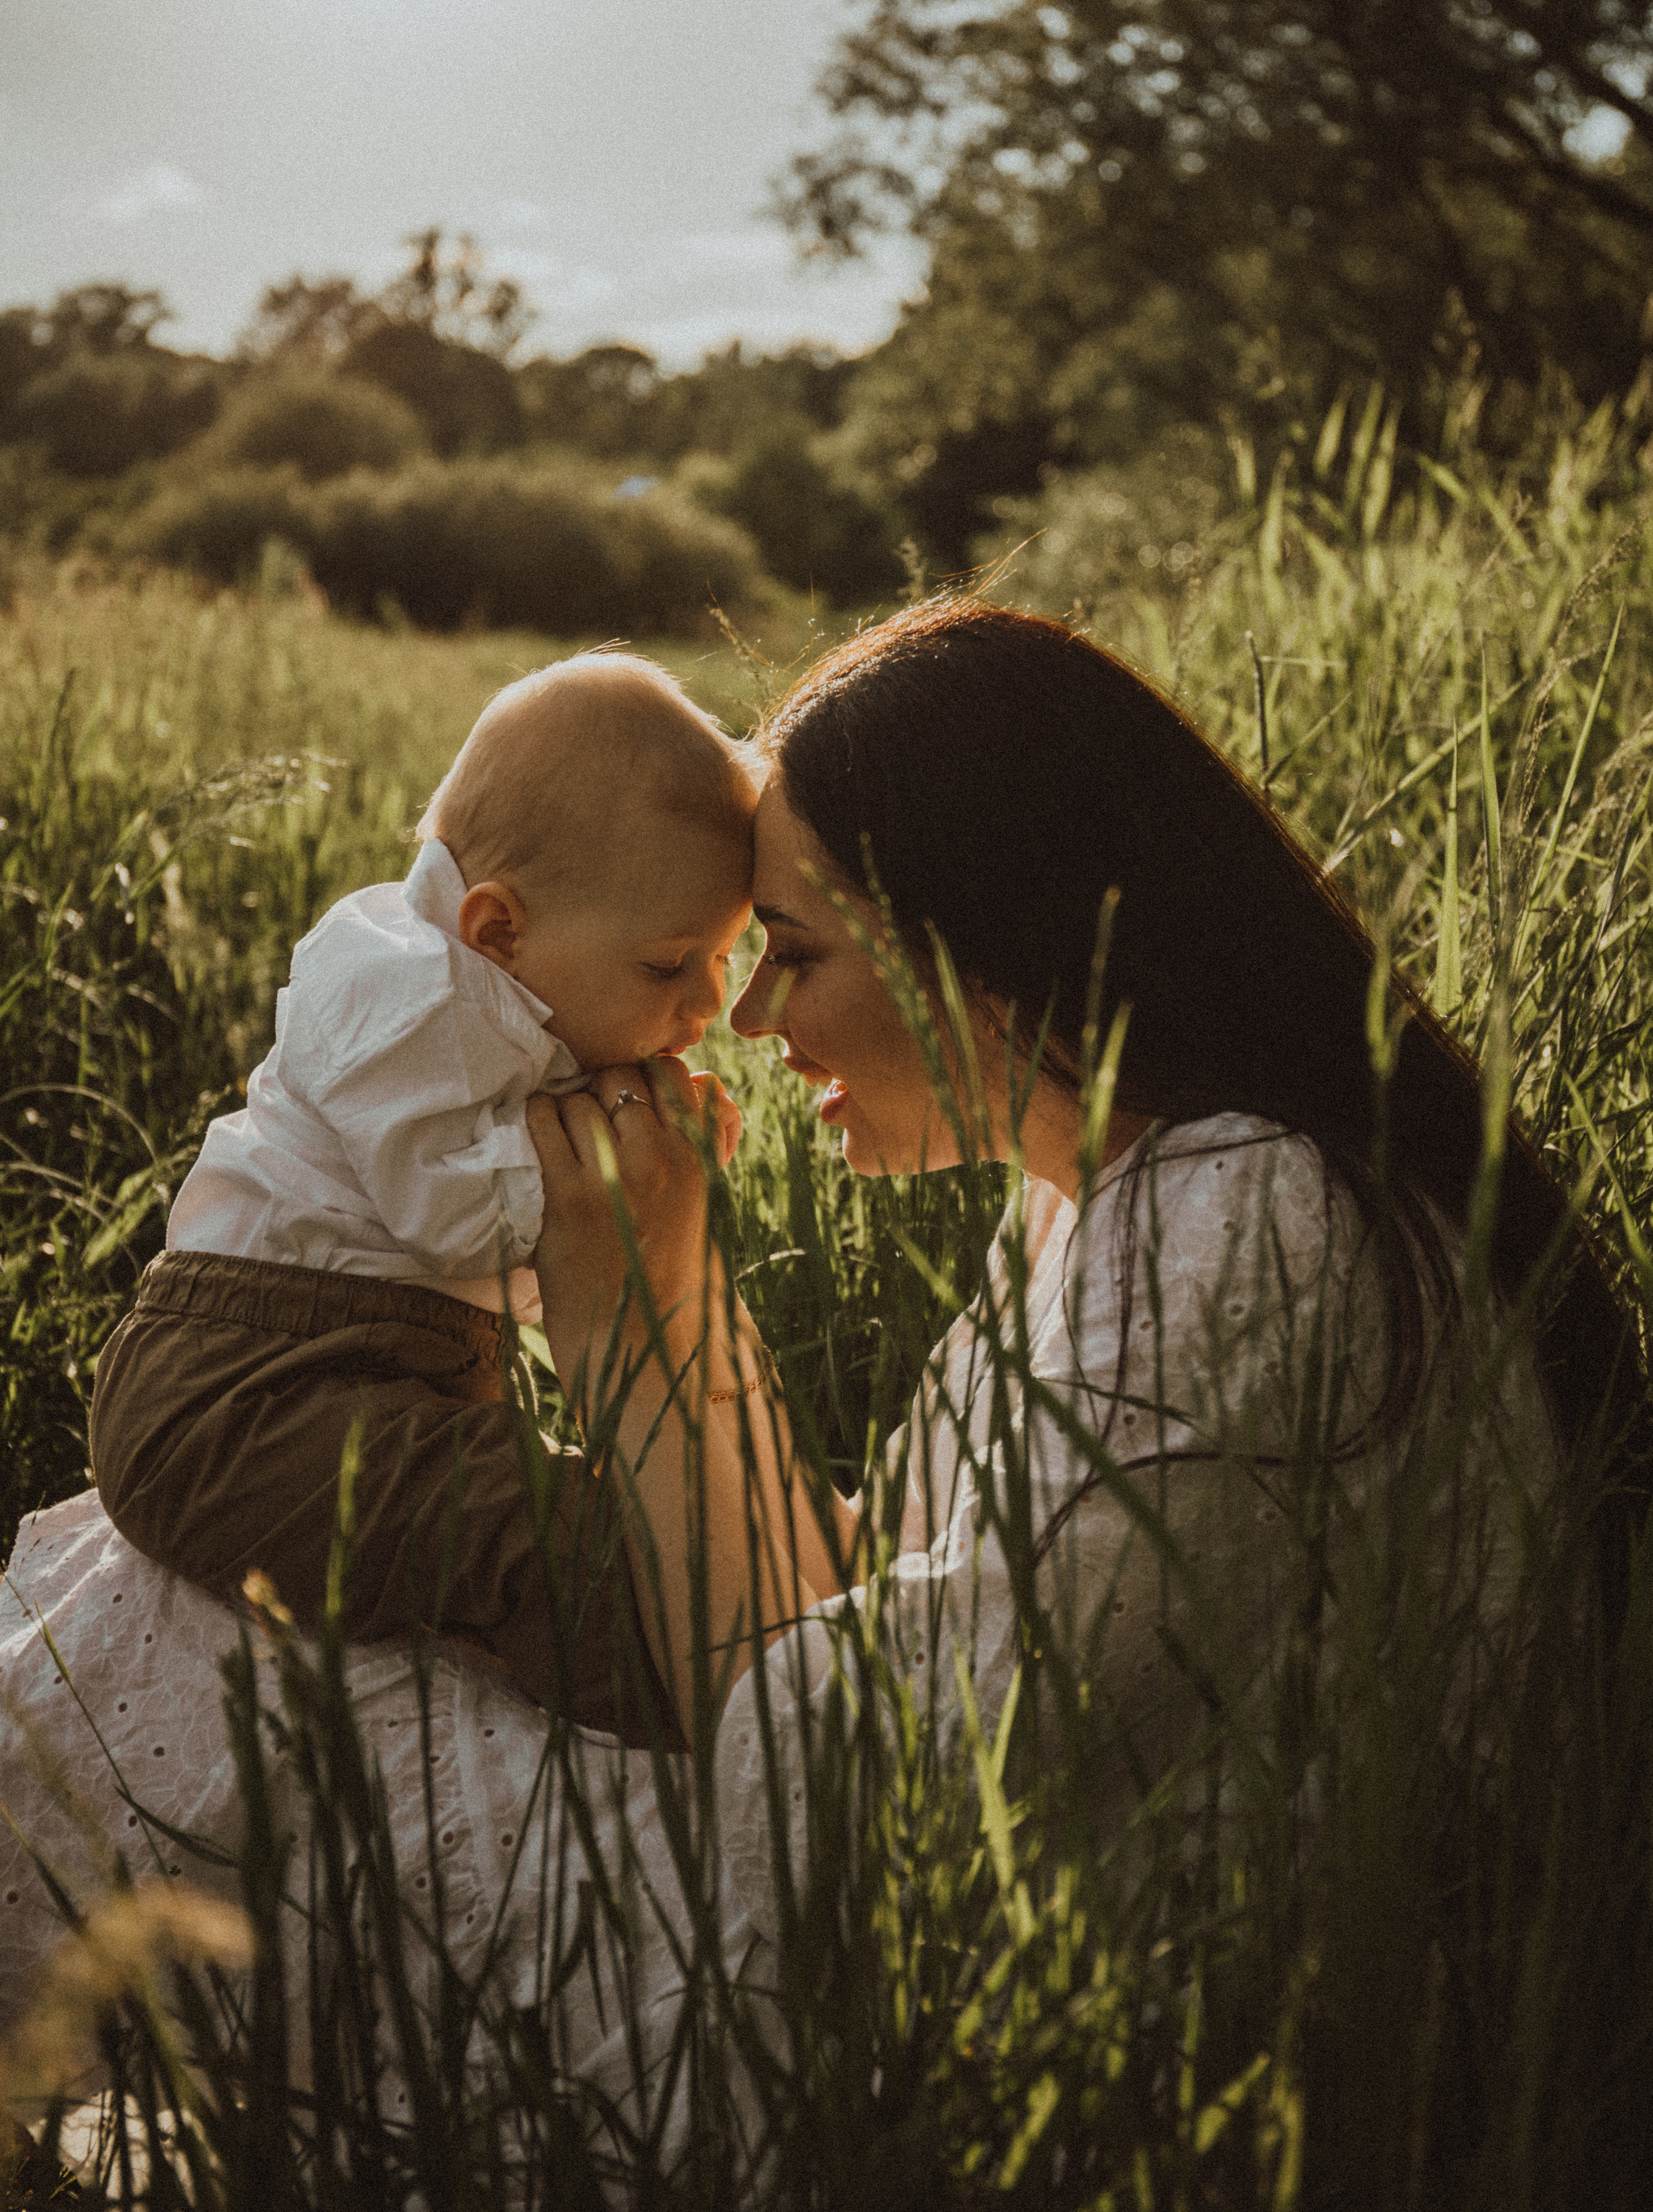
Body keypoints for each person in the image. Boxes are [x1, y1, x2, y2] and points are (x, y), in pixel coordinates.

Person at [0, 601, 1636, 2186]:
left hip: (1012, 1991)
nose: (749, 1018)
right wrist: (658, 1298)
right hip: (905, 1869)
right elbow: (858, 1599)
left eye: (787, 950)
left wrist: (639, 1314)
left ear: (981, 948)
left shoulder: (1248, 1225)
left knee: (188, 1635)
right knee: (190, 1602)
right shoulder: (1113, 1198)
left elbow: (840, 1788)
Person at [85, 652, 752, 1727]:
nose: (708, 1002)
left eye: (724, 958)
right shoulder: (409, 997)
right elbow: (452, 1217)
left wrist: (649, 1159)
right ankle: (693, 1730)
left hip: (365, 1373)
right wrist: (620, 1187)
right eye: (669, 965)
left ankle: (672, 1672)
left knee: (539, 1509)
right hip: (238, 1391)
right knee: (538, 1525)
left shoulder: (516, 999)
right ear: (499, 929)